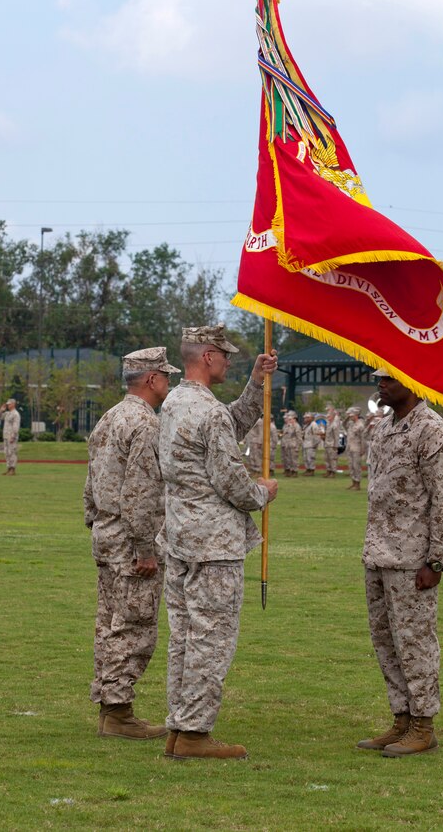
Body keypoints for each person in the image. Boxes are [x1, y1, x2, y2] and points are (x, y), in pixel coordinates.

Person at [158, 324, 278, 761]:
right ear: (207, 356)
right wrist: (263, 492)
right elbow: (232, 481)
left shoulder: (174, 402)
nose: (229, 361)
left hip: (180, 537)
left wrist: (255, 382)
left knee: (185, 637)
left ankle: (179, 726)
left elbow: (230, 423)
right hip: (213, 543)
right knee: (211, 639)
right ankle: (193, 735)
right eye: (225, 355)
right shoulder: (206, 412)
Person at [358, 371, 443, 757]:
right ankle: (401, 718)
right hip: (379, 553)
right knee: (385, 641)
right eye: (377, 378)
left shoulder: (432, 431)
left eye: (388, 379)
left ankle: (423, 725)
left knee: (415, 642)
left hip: (412, 560)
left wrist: (436, 561)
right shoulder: (385, 428)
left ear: (412, 382)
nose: (380, 384)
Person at [83, 347, 181, 739]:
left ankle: (111, 708)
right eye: (166, 377)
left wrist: (93, 518)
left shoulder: (110, 417)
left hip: (106, 534)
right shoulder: (145, 424)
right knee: (134, 626)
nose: (169, 384)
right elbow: (141, 492)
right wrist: (145, 548)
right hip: (129, 541)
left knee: (109, 624)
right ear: (152, 379)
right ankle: (119, 711)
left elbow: (91, 480)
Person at [0, 398, 21, 475]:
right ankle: (9, 468)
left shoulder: (16, 414)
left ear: (13, 404)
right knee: (7, 453)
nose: (7, 405)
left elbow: (16, 426)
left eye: (9, 404)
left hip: (11, 436)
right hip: (6, 436)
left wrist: (13, 436)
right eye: (7, 404)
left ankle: (12, 469)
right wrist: (1, 410)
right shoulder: (7, 413)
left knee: (12, 452)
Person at [345, 407, 366, 490]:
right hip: (350, 447)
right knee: (351, 466)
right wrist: (347, 417)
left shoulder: (360, 425)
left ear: (356, 415)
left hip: (357, 448)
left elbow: (363, 438)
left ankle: (358, 484)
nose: (350, 417)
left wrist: (362, 449)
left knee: (356, 466)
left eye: (352, 416)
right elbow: (343, 424)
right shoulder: (351, 423)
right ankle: (353, 482)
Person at [281, 411, 302, 476]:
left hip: (294, 445)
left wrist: (298, 446)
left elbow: (299, 437)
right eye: (289, 419)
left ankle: (295, 471)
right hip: (288, 445)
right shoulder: (289, 426)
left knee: (294, 459)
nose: (289, 420)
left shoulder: (297, 426)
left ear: (294, 419)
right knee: (289, 459)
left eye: (290, 419)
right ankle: (291, 470)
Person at [323, 406, 342, 477]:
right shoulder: (328, 424)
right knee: (327, 458)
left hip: (332, 445)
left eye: (329, 417)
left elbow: (336, 436)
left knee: (332, 459)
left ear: (333, 417)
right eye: (327, 417)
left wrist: (335, 445)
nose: (327, 418)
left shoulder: (334, 425)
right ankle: (328, 470)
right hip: (327, 444)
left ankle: (333, 472)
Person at [302, 411, 322, 475]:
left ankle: (311, 470)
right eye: (305, 418)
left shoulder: (314, 424)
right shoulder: (306, 425)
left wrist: (314, 445)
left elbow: (317, 436)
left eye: (308, 417)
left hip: (311, 444)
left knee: (310, 458)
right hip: (306, 444)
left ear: (312, 418)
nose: (306, 419)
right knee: (305, 458)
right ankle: (308, 469)